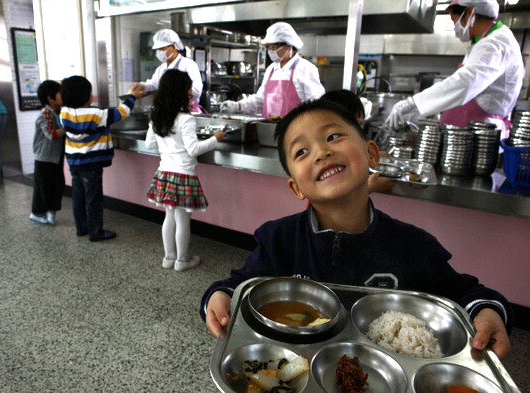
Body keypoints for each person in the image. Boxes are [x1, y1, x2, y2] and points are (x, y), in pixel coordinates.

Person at [201, 99, 513, 361]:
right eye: (301, 152)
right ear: (296, 188)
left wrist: (487, 312)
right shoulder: (278, 241)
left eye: (333, 136)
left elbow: (466, 294)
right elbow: (237, 286)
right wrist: (219, 297)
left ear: (372, 155)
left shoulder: (412, 245)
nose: (321, 152)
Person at [385, 0, 524, 143]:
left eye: (454, 20)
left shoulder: (495, 44)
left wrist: (412, 103)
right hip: (469, 133)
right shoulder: (483, 42)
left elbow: (465, 83)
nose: (454, 27)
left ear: (470, 13)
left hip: (481, 137)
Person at [145, 69, 226, 271]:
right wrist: (216, 138)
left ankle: (168, 257)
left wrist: (169, 147)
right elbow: (194, 149)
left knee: (169, 216)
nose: (191, 95)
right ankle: (182, 260)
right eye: (189, 92)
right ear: (180, 93)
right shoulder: (185, 119)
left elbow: (149, 144)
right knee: (183, 220)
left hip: (164, 173)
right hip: (184, 175)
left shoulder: (156, 115)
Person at [60, 76, 140, 242]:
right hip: (91, 164)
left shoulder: (64, 113)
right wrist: (131, 96)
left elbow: (81, 117)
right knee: (93, 199)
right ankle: (96, 232)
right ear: (87, 96)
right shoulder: (97, 114)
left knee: (78, 197)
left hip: (74, 162)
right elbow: (122, 112)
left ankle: (81, 228)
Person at [221, 22, 325, 119]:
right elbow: (260, 100)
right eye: (269, 48)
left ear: (289, 46)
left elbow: (316, 105)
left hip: (296, 130)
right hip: (269, 128)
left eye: (274, 48)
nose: (271, 52)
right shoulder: (271, 69)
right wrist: (238, 106)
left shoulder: (305, 68)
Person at [321, 89, 395, 194]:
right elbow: (335, 199)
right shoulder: (325, 154)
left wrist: (370, 155)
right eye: (353, 124)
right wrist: (368, 188)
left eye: (359, 125)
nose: (356, 131)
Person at [133, 29, 203, 113]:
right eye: (157, 49)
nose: (158, 52)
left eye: (162, 48)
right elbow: (154, 84)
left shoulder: (188, 64)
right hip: (168, 113)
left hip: (187, 112)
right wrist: (142, 86)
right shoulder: (161, 68)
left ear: (173, 47)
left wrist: (174, 91)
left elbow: (197, 91)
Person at [29, 80, 66, 226]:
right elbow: (52, 134)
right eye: (60, 94)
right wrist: (70, 128)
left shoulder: (58, 112)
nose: (63, 96)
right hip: (44, 157)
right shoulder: (45, 114)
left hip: (55, 157)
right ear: (50, 98)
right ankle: (37, 213)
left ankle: (52, 211)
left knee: (57, 185)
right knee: (43, 187)